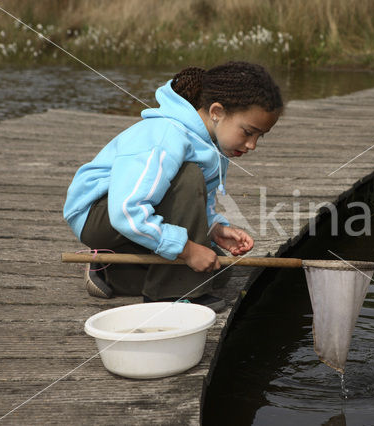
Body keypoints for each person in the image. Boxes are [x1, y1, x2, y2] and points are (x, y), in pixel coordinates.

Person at [63, 61, 283, 312]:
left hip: (133, 214)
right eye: (247, 132)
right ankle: (173, 294)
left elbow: (199, 199)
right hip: (100, 215)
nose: (252, 144)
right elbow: (126, 210)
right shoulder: (166, 135)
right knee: (189, 176)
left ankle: (111, 269)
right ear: (217, 112)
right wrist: (187, 251)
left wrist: (214, 228)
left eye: (259, 136)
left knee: (217, 271)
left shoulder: (214, 143)